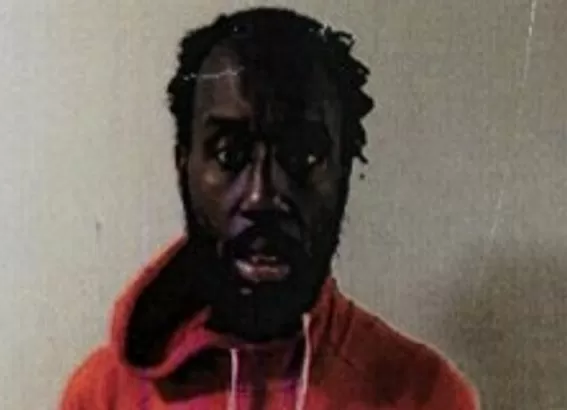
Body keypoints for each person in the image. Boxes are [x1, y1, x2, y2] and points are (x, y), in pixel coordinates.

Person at [60, 7, 478, 409]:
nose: (261, 196)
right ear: (183, 165)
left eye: (302, 155)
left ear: (345, 172)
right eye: (229, 153)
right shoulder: (101, 397)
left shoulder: (426, 397)